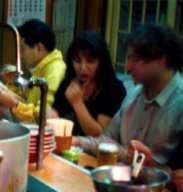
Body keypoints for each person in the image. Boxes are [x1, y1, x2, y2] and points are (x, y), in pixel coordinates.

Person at [75, 23, 183, 166]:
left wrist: (151, 165)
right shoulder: (135, 94)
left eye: (135, 59)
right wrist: (75, 141)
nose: (128, 67)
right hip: (121, 179)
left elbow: (176, 176)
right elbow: (107, 140)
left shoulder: (179, 103)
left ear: (161, 59)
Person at [51, 32, 126, 136]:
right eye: (77, 61)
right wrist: (50, 115)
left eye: (90, 61)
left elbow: (100, 134)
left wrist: (77, 103)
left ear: (101, 61)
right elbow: (54, 112)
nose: (83, 68)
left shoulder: (113, 89)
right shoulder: (68, 82)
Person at [0, 19, 66, 124]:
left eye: (23, 49)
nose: (20, 55)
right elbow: (26, 98)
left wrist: (15, 105)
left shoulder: (55, 71)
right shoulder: (40, 69)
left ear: (39, 48)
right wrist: (13, 82)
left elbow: (43, 114)